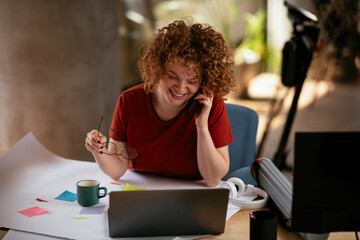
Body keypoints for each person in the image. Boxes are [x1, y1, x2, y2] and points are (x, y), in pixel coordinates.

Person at [85, 20, 235, 187]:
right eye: (172, 76)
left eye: (192, 80)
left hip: (191, 192)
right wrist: (98, 150)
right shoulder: (129, 101)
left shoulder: (212, 106)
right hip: (141, 190)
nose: (181, 87)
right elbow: (117, 170)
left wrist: (201, 126)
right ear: (158, 69)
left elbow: (213, 180)